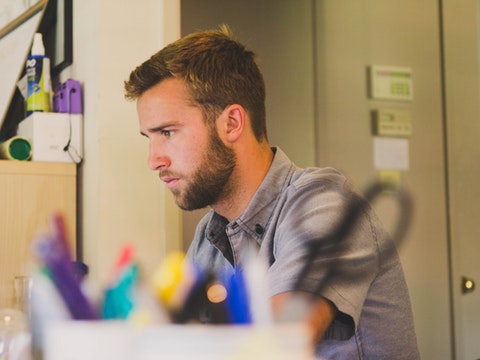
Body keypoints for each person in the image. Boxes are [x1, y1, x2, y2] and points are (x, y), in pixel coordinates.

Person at [124, 26, 419, 359]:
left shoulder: (324, 203)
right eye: (148, 138)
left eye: (167, 132)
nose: (154, 160)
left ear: (232, 123)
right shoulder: (209, 237)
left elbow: (278, 344)